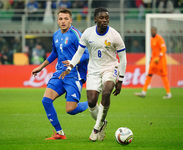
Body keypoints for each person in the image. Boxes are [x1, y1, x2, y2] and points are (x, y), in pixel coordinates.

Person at [59, 7, 127, 141]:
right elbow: (79, 53)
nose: (104, 20)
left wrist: (120, 80)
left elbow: (123, 58)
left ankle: (96, 128)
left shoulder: (114, 35)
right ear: (95, 19)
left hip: (110, 68)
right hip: (94, 70)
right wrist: (70, 67)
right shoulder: (88, 33)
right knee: (91, 101)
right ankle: (102, 123)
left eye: (106, 18)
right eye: (101, 18)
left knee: (107, 92)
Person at [31, 8, 89, 140]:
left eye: (66, 19)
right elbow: (54, 54)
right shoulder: (56, 35)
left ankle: (92, 104)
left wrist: (73, 62)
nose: (63, 21)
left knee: (70, 109)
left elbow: (86, 54)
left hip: (74, 74)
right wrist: (40, 67)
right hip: (59, 73)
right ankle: (59, 133)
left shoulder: (76, 34)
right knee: (46, 100)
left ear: (71, 20)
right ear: (57, 20)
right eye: (61, 19)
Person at [135, 27, 172, 99]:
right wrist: (151, 59)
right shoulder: (151, 39)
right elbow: (154, 51)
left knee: (163, 76)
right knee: (149, 75)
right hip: (154, 61)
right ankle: (143, 92)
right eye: (151, 31)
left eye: (153, 31)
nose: (152, 32)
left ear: (156, 31)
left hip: (160, 61)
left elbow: (164, 49)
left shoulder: (159, 38)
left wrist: (159, 56)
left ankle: (169, 93)